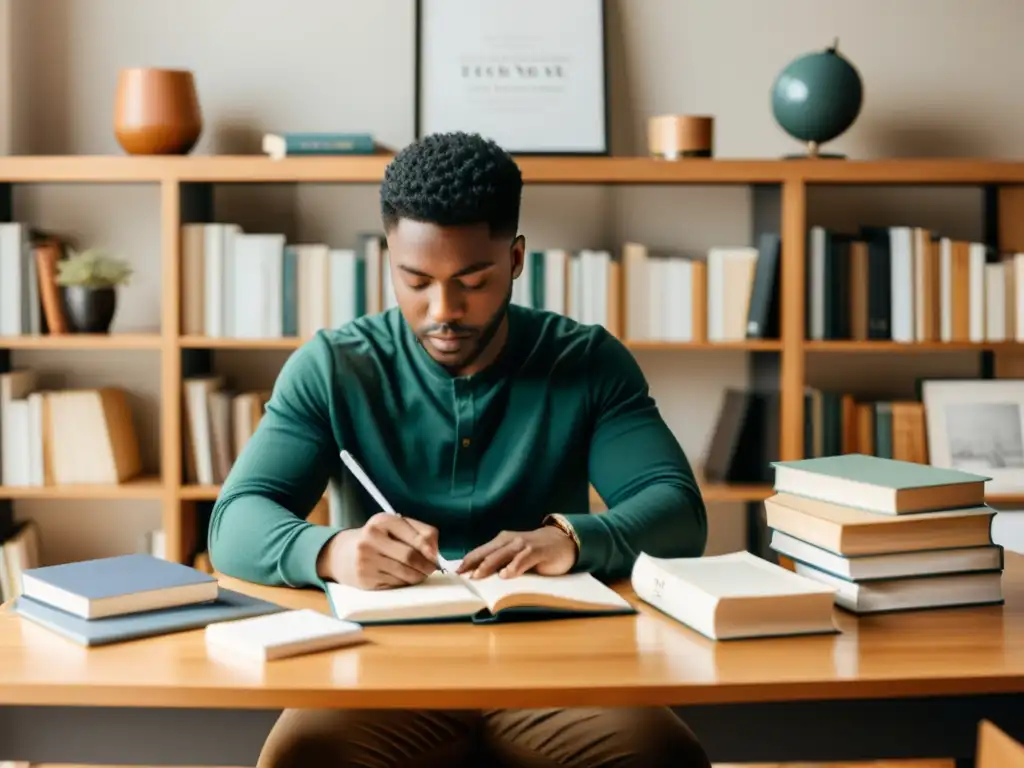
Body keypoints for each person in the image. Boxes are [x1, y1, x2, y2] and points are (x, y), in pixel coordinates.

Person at [208, 131, 711, 768]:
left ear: (518, 258)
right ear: (387, 257)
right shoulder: (333, 367)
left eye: (472, 280)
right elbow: (235, 519)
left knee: (663, 758)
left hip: (555, 667)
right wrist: (332, 550)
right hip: (377, 666)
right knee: (300, 760)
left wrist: (572, 538)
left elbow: (679, 512)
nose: (443, 311)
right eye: (414, 280)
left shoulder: (586, 362)